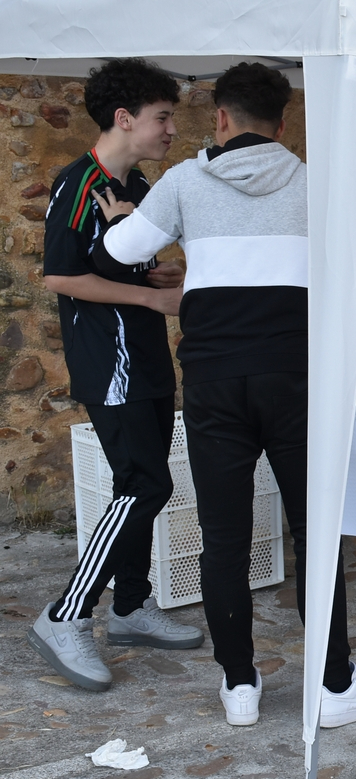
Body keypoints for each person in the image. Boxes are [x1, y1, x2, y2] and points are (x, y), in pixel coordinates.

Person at [100, 62, 356, 728]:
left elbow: (121, 251)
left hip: (214, 380)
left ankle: (239, 684)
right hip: (298, 376)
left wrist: (128, 214)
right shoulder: (319, 182)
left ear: (221, 118)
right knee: (315, 533)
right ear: (283, 124)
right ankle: (335, 685)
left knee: (225, 538)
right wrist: (347, 328)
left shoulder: (183, 181)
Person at [29, 58, 203, 693]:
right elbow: (60, 276)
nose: (172, 130)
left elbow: (123, 265)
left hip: (147, 357)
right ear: (125, 119)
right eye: (163, 117)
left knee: (147, 484)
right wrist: (151, 298)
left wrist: (161, 275)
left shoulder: (140, 184)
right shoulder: (77, 184)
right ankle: (65, 616)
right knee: (142, 484)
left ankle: (130, 606)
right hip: (110, 362)